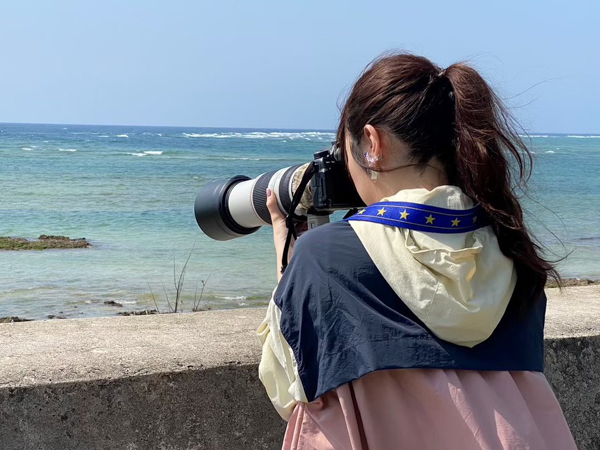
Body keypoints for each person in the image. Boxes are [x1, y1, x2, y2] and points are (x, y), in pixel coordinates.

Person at [257, 53, 577, 450]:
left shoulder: (326, 257)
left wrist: (289, 248)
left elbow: (289, 385)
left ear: (372, 143)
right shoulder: (514, 251)